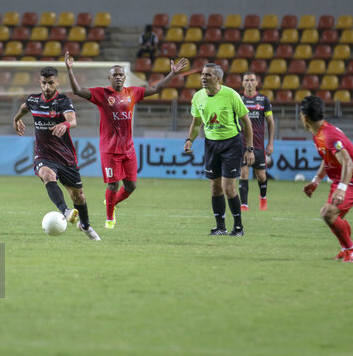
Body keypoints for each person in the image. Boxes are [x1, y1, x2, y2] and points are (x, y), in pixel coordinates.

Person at [66, 51, 188, 229]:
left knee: (131, 186)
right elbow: (77, 91)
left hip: (128, 149)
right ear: (109, 77)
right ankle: (109, 218)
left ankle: (111, 203)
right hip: (109, 149)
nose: (118, 77)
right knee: (113, 184)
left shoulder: (133, 93)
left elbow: (156, 89)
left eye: (121, 74)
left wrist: (172, 73)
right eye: (114, 74)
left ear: (125, 77)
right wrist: (70, 70)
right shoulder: (102, 94)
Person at [13, 66, 100, 241]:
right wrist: (16, 119)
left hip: (65, 156)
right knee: (46, 174)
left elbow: (72, 120)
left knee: (78, 196)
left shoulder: (63, 101)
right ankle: (66, 211)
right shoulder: (33, 100)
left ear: (57, 82)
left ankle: (86, 226)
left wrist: (64, 125)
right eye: (44, 83)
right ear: (40, 82)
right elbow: (23, 108)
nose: (47, 87)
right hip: (43, 154)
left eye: (51, 83)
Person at [184, 63, 255, 237]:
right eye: (202, 74)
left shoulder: (231, 95)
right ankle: (220, 227)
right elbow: (197, 123)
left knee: (228, 188)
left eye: (207, 75)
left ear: (218, 79)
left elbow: (247, 122)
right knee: (215, 188)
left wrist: (250, 148)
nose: (203, 77)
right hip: (211, 145)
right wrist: (189, 140)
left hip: (232, 144)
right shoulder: (198, 97)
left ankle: (238, 227)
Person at [300, 96, 353, 263]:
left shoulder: (329, 136)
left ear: (305, 118)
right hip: (341, 180)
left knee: (328, 213)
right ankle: (346, 250)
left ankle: (352, 251)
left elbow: (348, 162)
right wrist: (316, 181)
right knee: (334, 218)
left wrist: (342, 188)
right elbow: (328, 158)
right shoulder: (320, 133)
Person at [239, 71, 275, 212]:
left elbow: (270, 122)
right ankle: (244, 205)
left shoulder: (263, 100)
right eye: (246, 80)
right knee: (244, 174)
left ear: (256, 82)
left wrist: (270, 143)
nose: (249, 82)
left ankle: (263, 198)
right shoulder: (238, 99)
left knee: (261, 176)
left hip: (259, 145)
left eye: (252, 80)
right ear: (242, 83)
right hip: (242, 144)